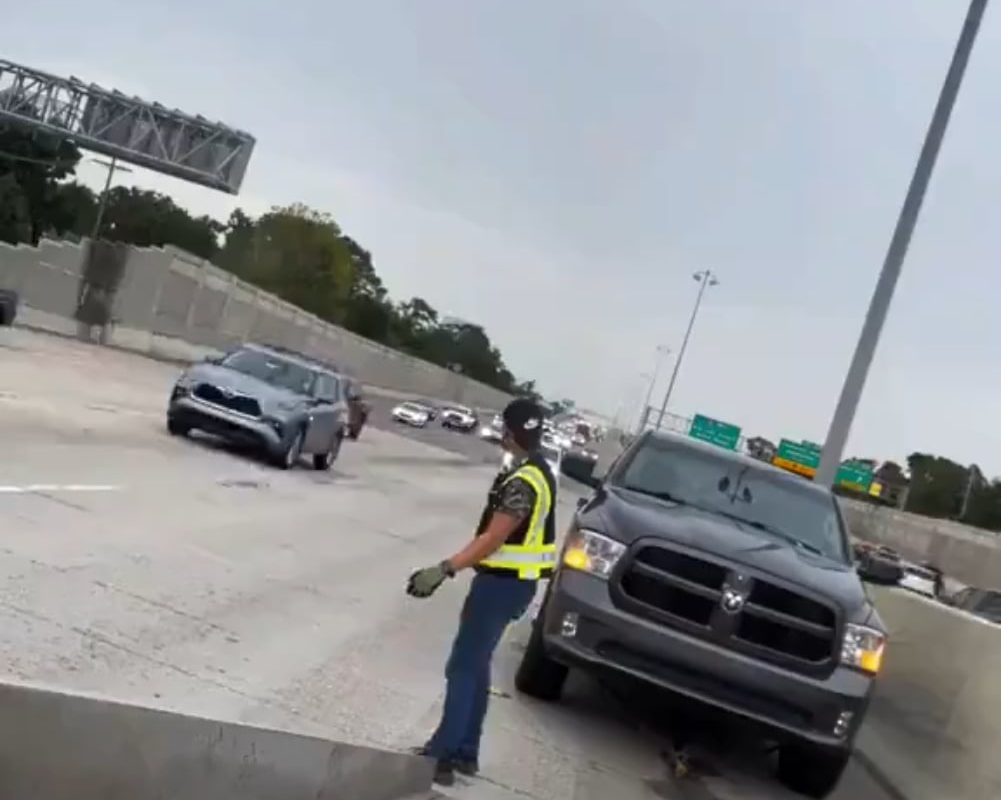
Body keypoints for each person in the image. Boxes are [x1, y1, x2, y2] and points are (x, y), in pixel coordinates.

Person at [406, 397, 557, 786]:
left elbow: (493, 538)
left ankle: (441, 756)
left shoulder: (523, 482)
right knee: (478, 665)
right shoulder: (538, 471)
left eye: (504, 427)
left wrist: (444, 569)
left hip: (500, 586)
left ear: (511, 431)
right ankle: (466, 752)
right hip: (513, 585)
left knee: (462, 666)